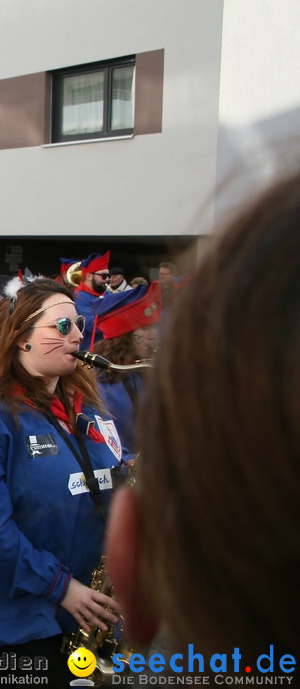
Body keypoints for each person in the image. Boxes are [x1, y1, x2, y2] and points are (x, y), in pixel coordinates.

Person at [107, 168, 300, 661]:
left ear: (135, 566)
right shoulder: (111, 381)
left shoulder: (144, 374)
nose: (152, 336)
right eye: (143, 330)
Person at [0, 278, 122, 686]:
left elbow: (108, 474)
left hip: (90, 612)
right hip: (23, 625)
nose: (79, 334)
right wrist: (64, 588)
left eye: (79, 323)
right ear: (21, 337)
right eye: (62, 326)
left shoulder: (88, 407)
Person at [86, 282, 160, 460]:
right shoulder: (97, 380)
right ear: (123, 335)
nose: (153, 335)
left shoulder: (144, 369)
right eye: (144, 328)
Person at [72, 251, 110, 350]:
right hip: (89, 351)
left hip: (106, 350)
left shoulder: (108, 295)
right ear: (89, 276)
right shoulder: (80, 297)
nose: (107, 279)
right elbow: (90, 325)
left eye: (108, 276)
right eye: (104, 276)